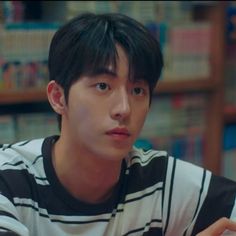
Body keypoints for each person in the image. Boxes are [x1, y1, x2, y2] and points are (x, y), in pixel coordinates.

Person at [0, 12, 236, 236]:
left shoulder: (159, 181)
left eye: (137, 90)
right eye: (103, 86)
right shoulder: (9, 178)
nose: (124, 108)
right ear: (57, 97)